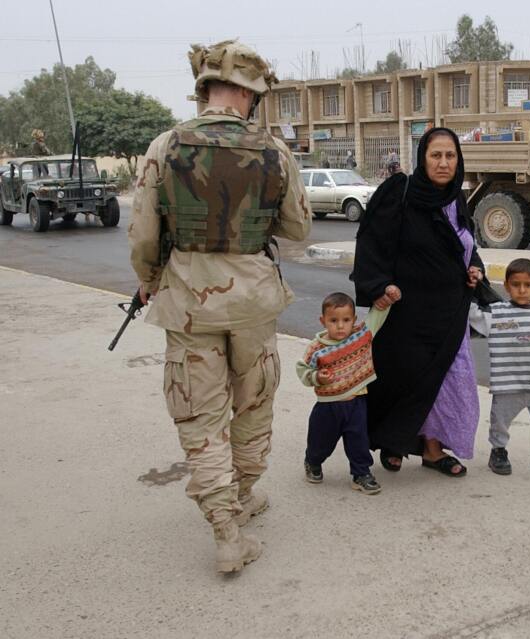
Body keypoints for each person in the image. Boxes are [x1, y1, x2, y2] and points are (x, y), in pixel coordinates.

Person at [128, 39, 311, 573]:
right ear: (252, 94)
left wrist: (148, 279)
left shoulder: (164, 146)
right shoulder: (275, 151)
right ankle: (245, 494)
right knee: (253, 405)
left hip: (187, 301)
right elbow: (298, 229)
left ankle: (226, 530)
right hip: (253, 299)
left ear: (203, 87)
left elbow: (143, 234)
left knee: (200, 415)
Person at [350, 127, 486, 478]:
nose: (443, 163)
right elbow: (371, 241)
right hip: (406, 310)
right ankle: (394, 442)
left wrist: (475, 269)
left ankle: (433, 450)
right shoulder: (399, 191)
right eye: (436, 155)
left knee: (445, 380)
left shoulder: (456, 198)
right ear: (422, 157)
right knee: (402, 377)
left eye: (450, 156)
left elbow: (466, 244)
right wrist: (378, 285)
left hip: (449, 310)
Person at [468, 258, 530, 476]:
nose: (522, 290)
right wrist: (473, 284)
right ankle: (498, 451)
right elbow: (472, 313)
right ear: (506, 286)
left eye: (528, 285)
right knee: (500, 423)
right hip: (507, 386)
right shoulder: (496, 313)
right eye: (516, 285)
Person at [297, 288, 401, 495]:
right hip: (328, 407)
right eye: (333, 320)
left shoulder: (361, 336)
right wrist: (317, 377)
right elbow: (303, 369)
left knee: (359, 441)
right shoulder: (316, 348)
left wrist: (388, 300)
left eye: (346, 320)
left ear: (353, 319)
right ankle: (313, 462)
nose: (340, 326)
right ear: (323, 321)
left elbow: (376, 317)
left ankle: (361, 474)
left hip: (357, 403)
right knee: (321, 442)